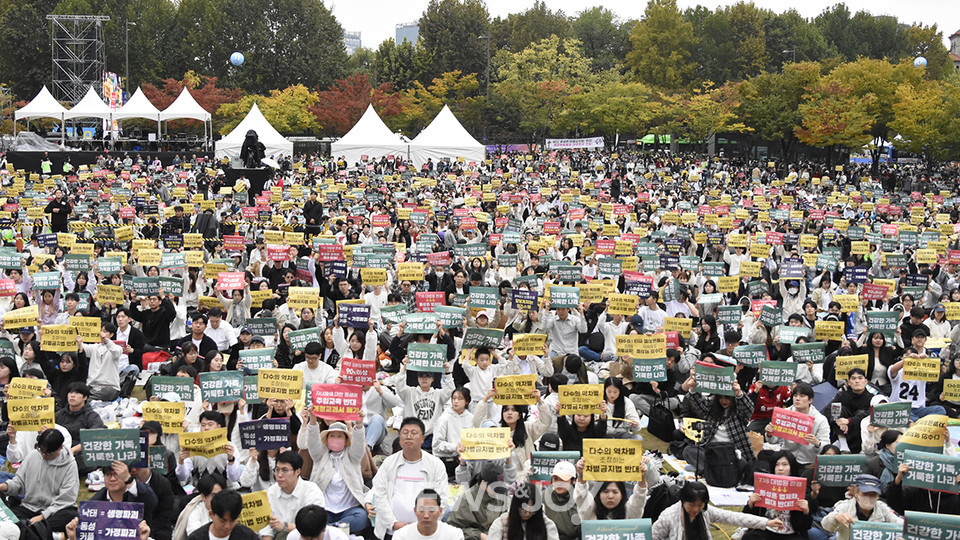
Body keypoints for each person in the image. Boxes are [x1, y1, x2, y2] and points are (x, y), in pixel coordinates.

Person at [371, 418, 448, 539]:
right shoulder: (389, 463)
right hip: (392, 531)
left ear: (423, 439)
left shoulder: (436, 464)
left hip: (425, 532)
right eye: (405, 432)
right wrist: (393, 523)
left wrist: (424, 523)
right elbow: (379, 494)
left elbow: (442, 498)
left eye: (414, 433)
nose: (409, 436)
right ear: (400, 437)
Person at [0, 429, 79, 533]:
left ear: (60, 448)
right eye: (41, 451)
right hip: (29, 507)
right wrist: (3, 486)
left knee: (70, 516)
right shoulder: (33, 456)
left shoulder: (70, 465)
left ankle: (26, 529)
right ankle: (33, 530)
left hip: (54, 511)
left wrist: (42, 517)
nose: (44, 455)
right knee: (5, 516)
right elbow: (19, 483)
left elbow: (65, 500)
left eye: (48, 453)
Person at [304, 415, 369, 534]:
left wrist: (359, 424)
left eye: (339, 436)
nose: (335, 439)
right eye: (332, 436)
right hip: (324, 509)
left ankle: (329, 530)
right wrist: (312, 419)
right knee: (312, 518)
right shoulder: (320, 455)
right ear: (327, 439)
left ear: (346, 440)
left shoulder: (353, 456)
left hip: (349, 509)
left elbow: (359, 444)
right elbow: (313, 441)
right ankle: (339, 530)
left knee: (362, 517)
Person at [652, 481, 780, 540]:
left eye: (700, 505)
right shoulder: (669, 515)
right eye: (691, 505)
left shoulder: (706, 511)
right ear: (683, 500)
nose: (696, 509)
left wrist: (766, 523)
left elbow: (732, 517)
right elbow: (653, 536)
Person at [260, 451, 327, 540]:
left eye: (285, 470)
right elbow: (266, 528)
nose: (279, 475)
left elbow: (314, 525)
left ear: (298, 471)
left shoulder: (311, 491)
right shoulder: (271, 491)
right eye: (277, 470)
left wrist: (284, 526)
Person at [821, 475, 902, 540]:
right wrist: (836, 517)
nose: (869, 497)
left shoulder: (882, 508)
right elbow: (826, 525)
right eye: (865, 494)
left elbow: (898, 523)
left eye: (873, 494)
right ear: (856, 493)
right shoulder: (845, 507)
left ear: (878, 496)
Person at [487, 482, 559, 540]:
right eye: (524, 511)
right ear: (516, 506)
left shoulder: (547, 525)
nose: (527, 514)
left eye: (531, 511)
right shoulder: (501, 524)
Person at [187, 489, 260, 540]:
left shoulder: (248, 537)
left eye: (232, 521)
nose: (227, 526)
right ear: (211, 514)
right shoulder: (196, 538)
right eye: (222, 520)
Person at [394, 489, 464, 540]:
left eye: (431, 510)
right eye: (421, 510)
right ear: (415, 511)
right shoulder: (401, 536)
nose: (426, 516)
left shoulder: (455, 535)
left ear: (440, 511)